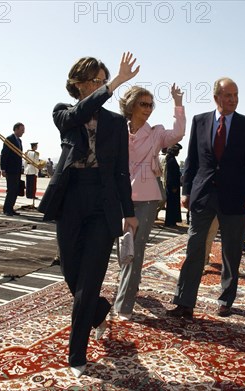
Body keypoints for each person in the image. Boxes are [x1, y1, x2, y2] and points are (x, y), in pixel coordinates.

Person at [38, 53, 139, 377]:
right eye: (96, 81)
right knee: (71, 274)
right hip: (69, 198)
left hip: (103, 201)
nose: (101, 87)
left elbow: (122, 171)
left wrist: (129, 212)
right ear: (79, 83)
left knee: (91, 277)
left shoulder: (114, 123)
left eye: (103, 80)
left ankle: (77, 352)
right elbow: (78, 114)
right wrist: (113, 85)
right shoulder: (64, 113)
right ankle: (99, 310)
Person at [166, 77, 245, 319]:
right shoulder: (200, 121)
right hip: (203, 195)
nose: (233, 100)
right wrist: (186, 190)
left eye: (236, 95)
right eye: (228, 95)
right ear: (216, 97)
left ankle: (226, 299)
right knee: (195, 248)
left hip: (237, 198)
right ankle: (184, 301)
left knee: (231, 252)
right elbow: (192, 160)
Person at [114, 84, 185, 320]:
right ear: (131, 105)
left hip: (145, 197)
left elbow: (178, 133)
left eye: (150, 105)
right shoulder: (117, 130)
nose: (148, 109)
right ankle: (131, 285)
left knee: (135, 249)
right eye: (143, 104)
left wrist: (177, 104)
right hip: (119, 196)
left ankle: (124, 304)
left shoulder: (156, 133)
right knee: (122, 247)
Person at [1, 124, 24, 215]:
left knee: (15, 190)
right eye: (22, 130)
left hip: (17, 170)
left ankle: (11, 208)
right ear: (16, 129)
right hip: (10, 169)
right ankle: (6, 209)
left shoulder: (19, 141)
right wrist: (3, 169)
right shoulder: (9, 139)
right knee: (11, 190)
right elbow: (5, 154)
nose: (23, 132)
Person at [165, 144, 183, 227]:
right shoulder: (171, 160)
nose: (179, 153)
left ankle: (172, 220)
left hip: (173, 185)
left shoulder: (171, 159)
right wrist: (173, 186)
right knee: (171, 204)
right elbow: (170, 175)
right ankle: (170, 221)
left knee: (173, 204)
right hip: (172, 186)